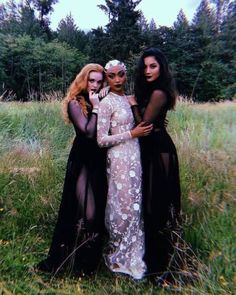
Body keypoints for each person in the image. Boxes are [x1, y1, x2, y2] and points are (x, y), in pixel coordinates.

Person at [36, 63, 108, 276]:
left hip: (100, 161)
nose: (94, 85)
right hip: (83, 161)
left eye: (99, 81)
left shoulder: (102, 100)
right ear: (83, 80)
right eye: (91, 80)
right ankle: (70, 261)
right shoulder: (75, 103)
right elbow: (87, 132)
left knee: (98, 212)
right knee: (88, 212)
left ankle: (87, 265)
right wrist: (96, 106)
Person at [129, 47, 182, 283]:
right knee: (152, 206)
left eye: (153, 66)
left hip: (159, 149)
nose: (148, 70)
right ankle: (155, 264)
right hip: (151, 149)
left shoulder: (160, 92)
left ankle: (161, 267)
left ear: (162, 68)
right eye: (146, 66)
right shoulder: (150, 90)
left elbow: (145, 127)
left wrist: (132, 105)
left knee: (157, 206)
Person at [96, 60, 153, 280]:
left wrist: (133, 107)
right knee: (122, 205)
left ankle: (133, 255)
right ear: (107, 78)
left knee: (135, 205)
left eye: (121, 74)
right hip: (118, 158)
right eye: (112, 76)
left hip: (134, 156)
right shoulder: (106, 102)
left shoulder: (125, 98)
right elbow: (101, 140)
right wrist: (131, 134)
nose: (118, 80)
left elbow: (140, 124)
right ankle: (118, 255)